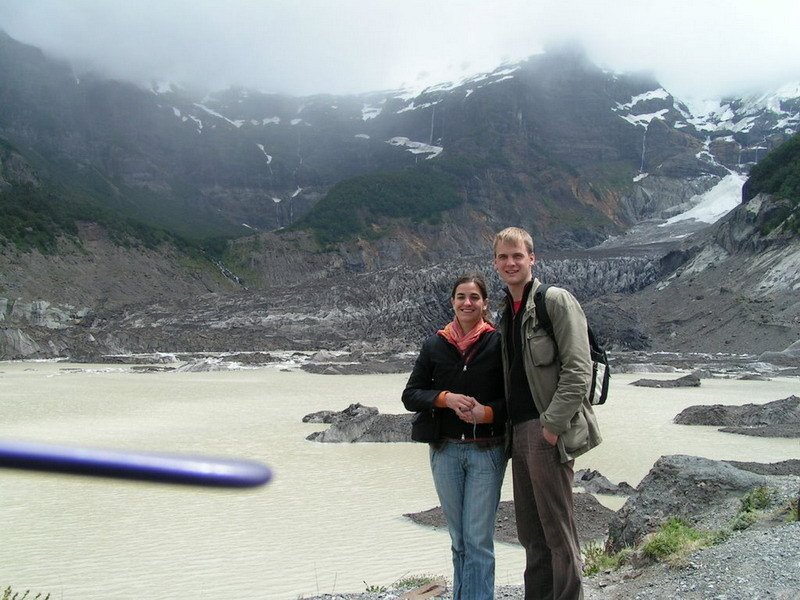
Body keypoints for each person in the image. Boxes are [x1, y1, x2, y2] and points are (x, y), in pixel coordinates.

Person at [492, 227, 602, 600]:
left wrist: (552, 426)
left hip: (544, 431)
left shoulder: (553, 301)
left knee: (557, 532)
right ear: (495, 263)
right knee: (531, 534)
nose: (511, 263)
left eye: (517, 256)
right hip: (519, 434)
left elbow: (578, 368)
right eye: (504, 257)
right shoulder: (506, 313)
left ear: (532, 259)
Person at [402, 273, 508, 600]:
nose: (467, 303)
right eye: (461, 296)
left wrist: (486, 413)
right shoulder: (435, 344)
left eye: (474, 297)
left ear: (484, 303)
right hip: (445, 451)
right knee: (459, 539)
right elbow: (410, 395)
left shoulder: (498, 342)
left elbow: (515, 397)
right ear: (452, 301)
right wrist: (444, 398)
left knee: (477, 540)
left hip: (485, 451)